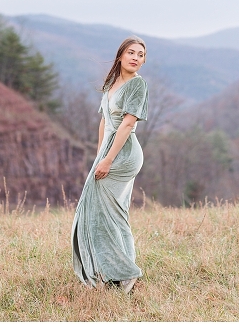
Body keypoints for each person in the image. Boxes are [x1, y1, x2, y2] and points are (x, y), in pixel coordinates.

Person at [72, 36, 149, 293]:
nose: (136, 57)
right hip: (108, 152)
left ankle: (123, 274)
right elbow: (105, 122)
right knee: (108, 213)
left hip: (124, 155)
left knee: (103, 213)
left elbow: (127, 124)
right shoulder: (112, 83)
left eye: (141, 54)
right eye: (131, 52)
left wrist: (108, 159)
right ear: (120, 56)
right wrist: (99, 155)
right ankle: (114, 272)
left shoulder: (138, 86)